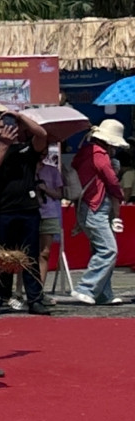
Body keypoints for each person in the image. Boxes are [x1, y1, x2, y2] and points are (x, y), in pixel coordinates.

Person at [0, 107, 52, 314]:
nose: (2, 131)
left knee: (30, 256)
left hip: (28, 209)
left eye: (6, 127)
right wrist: (4, 144)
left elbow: (42, 135)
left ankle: (35, 299)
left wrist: (19, 117)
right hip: (1, 210)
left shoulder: (28, 149)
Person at [71, 120, 126, 306]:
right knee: (108, 249)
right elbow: (111, 180)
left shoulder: (87, 152)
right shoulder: (99, 154)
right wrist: (120, 193)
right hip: (95, 206)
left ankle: (103, 293)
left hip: (90, 205)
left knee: (100, 248)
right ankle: (86, 288)